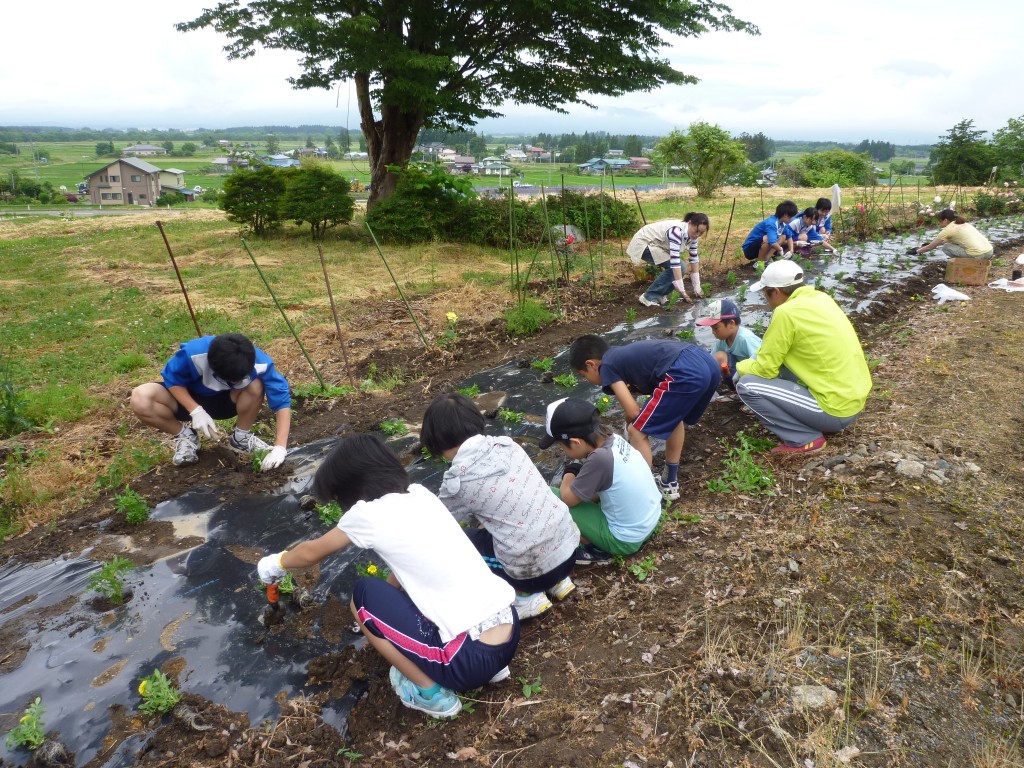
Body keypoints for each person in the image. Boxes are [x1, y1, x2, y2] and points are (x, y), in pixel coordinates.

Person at [258, 434, 519, 719]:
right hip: (508, 631)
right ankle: (492, 669)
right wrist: (389, 606)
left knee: (363, 599)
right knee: (392, 593)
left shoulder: (367, 515)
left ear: (350, 487)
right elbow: (408, 565)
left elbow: (310, 553)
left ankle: (432, 695)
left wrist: (277, 562)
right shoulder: (420, 493)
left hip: (466, 660)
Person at [420, 393, 580, 621]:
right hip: (569, 550)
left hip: (531, 574)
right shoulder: (508, 445)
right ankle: (558, 582)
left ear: (439, 442)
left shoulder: (458, 481)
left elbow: (439, 525)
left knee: (454, 542)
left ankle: (525, 597)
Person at [734, 261, 872, 454]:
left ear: (775, 291)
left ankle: (804, 439)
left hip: (835, 409)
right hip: (854, 400)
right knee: (783, 365)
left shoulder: (785, 313)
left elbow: (765, 368)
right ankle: (819, 422)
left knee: (747, 385)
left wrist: (740, 368)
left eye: (765, 293)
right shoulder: (821, 298)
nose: (765, 299)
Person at [569, 334, 720, 501]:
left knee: (637, 432)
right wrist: (632, 423)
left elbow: (633, 411)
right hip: (707, 363)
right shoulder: (618, 355)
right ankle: (669, 482)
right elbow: (631, 410)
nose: (588, 380)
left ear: (591, 364)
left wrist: (631, 431)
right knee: (673, 419)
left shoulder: (606, 366)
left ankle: (644, 492)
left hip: (684, 371)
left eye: (584, 375)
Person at [129, 333, 290, 471]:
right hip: (186, 400)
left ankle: (241, 438)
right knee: (141, 397)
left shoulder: (259, 362)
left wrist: (280, 447)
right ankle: (185, 436)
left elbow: (282, 400)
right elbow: (172, 379)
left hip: (227, 403)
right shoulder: (193, 353)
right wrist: (195, 410)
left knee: (256, 385)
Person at [540, 397, 662, 565]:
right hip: (650, 520)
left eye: (562, 446)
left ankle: (595, 549)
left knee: (550, 495)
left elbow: (568, 499)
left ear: (575, 442)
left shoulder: (600, 459)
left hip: (624, 540)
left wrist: (571, 470)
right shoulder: (614, 440)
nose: (563, 451)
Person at [627, 213, 710, 307]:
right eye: (696, 231)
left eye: (701, 233)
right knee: (679, 267)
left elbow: (694, 259)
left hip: (658, 245)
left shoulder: (694, 237)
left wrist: (697, 287)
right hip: (644, 243)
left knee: (680, 267)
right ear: (690, 223)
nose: (697, 235)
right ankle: (648, 297)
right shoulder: (677, 232)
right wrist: (683, 292)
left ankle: (660, 295)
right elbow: (675, 263)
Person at [695, 298, 762, 391]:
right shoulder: (722, 340)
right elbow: (710, 361)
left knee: (720, 357)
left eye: (716, 328)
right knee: (715, 359)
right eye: (712, 328)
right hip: (738, 376)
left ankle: (748, 394)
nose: (713, 332)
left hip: (754, 378)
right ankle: (734, 391)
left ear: (731, 324)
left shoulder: (746, 339)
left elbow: (761, 363)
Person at [911, 209, 994, 260]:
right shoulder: (964, 224)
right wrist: (929, 244)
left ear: (945, 220)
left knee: (946, 247)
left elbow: (931, 247)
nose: (939, 224)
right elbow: (947, 240)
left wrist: (916, 251)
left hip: (978, 255)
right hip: (989, 251)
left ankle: (963, 263)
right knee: (950, 244)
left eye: (940, 221)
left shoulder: (947, 230)